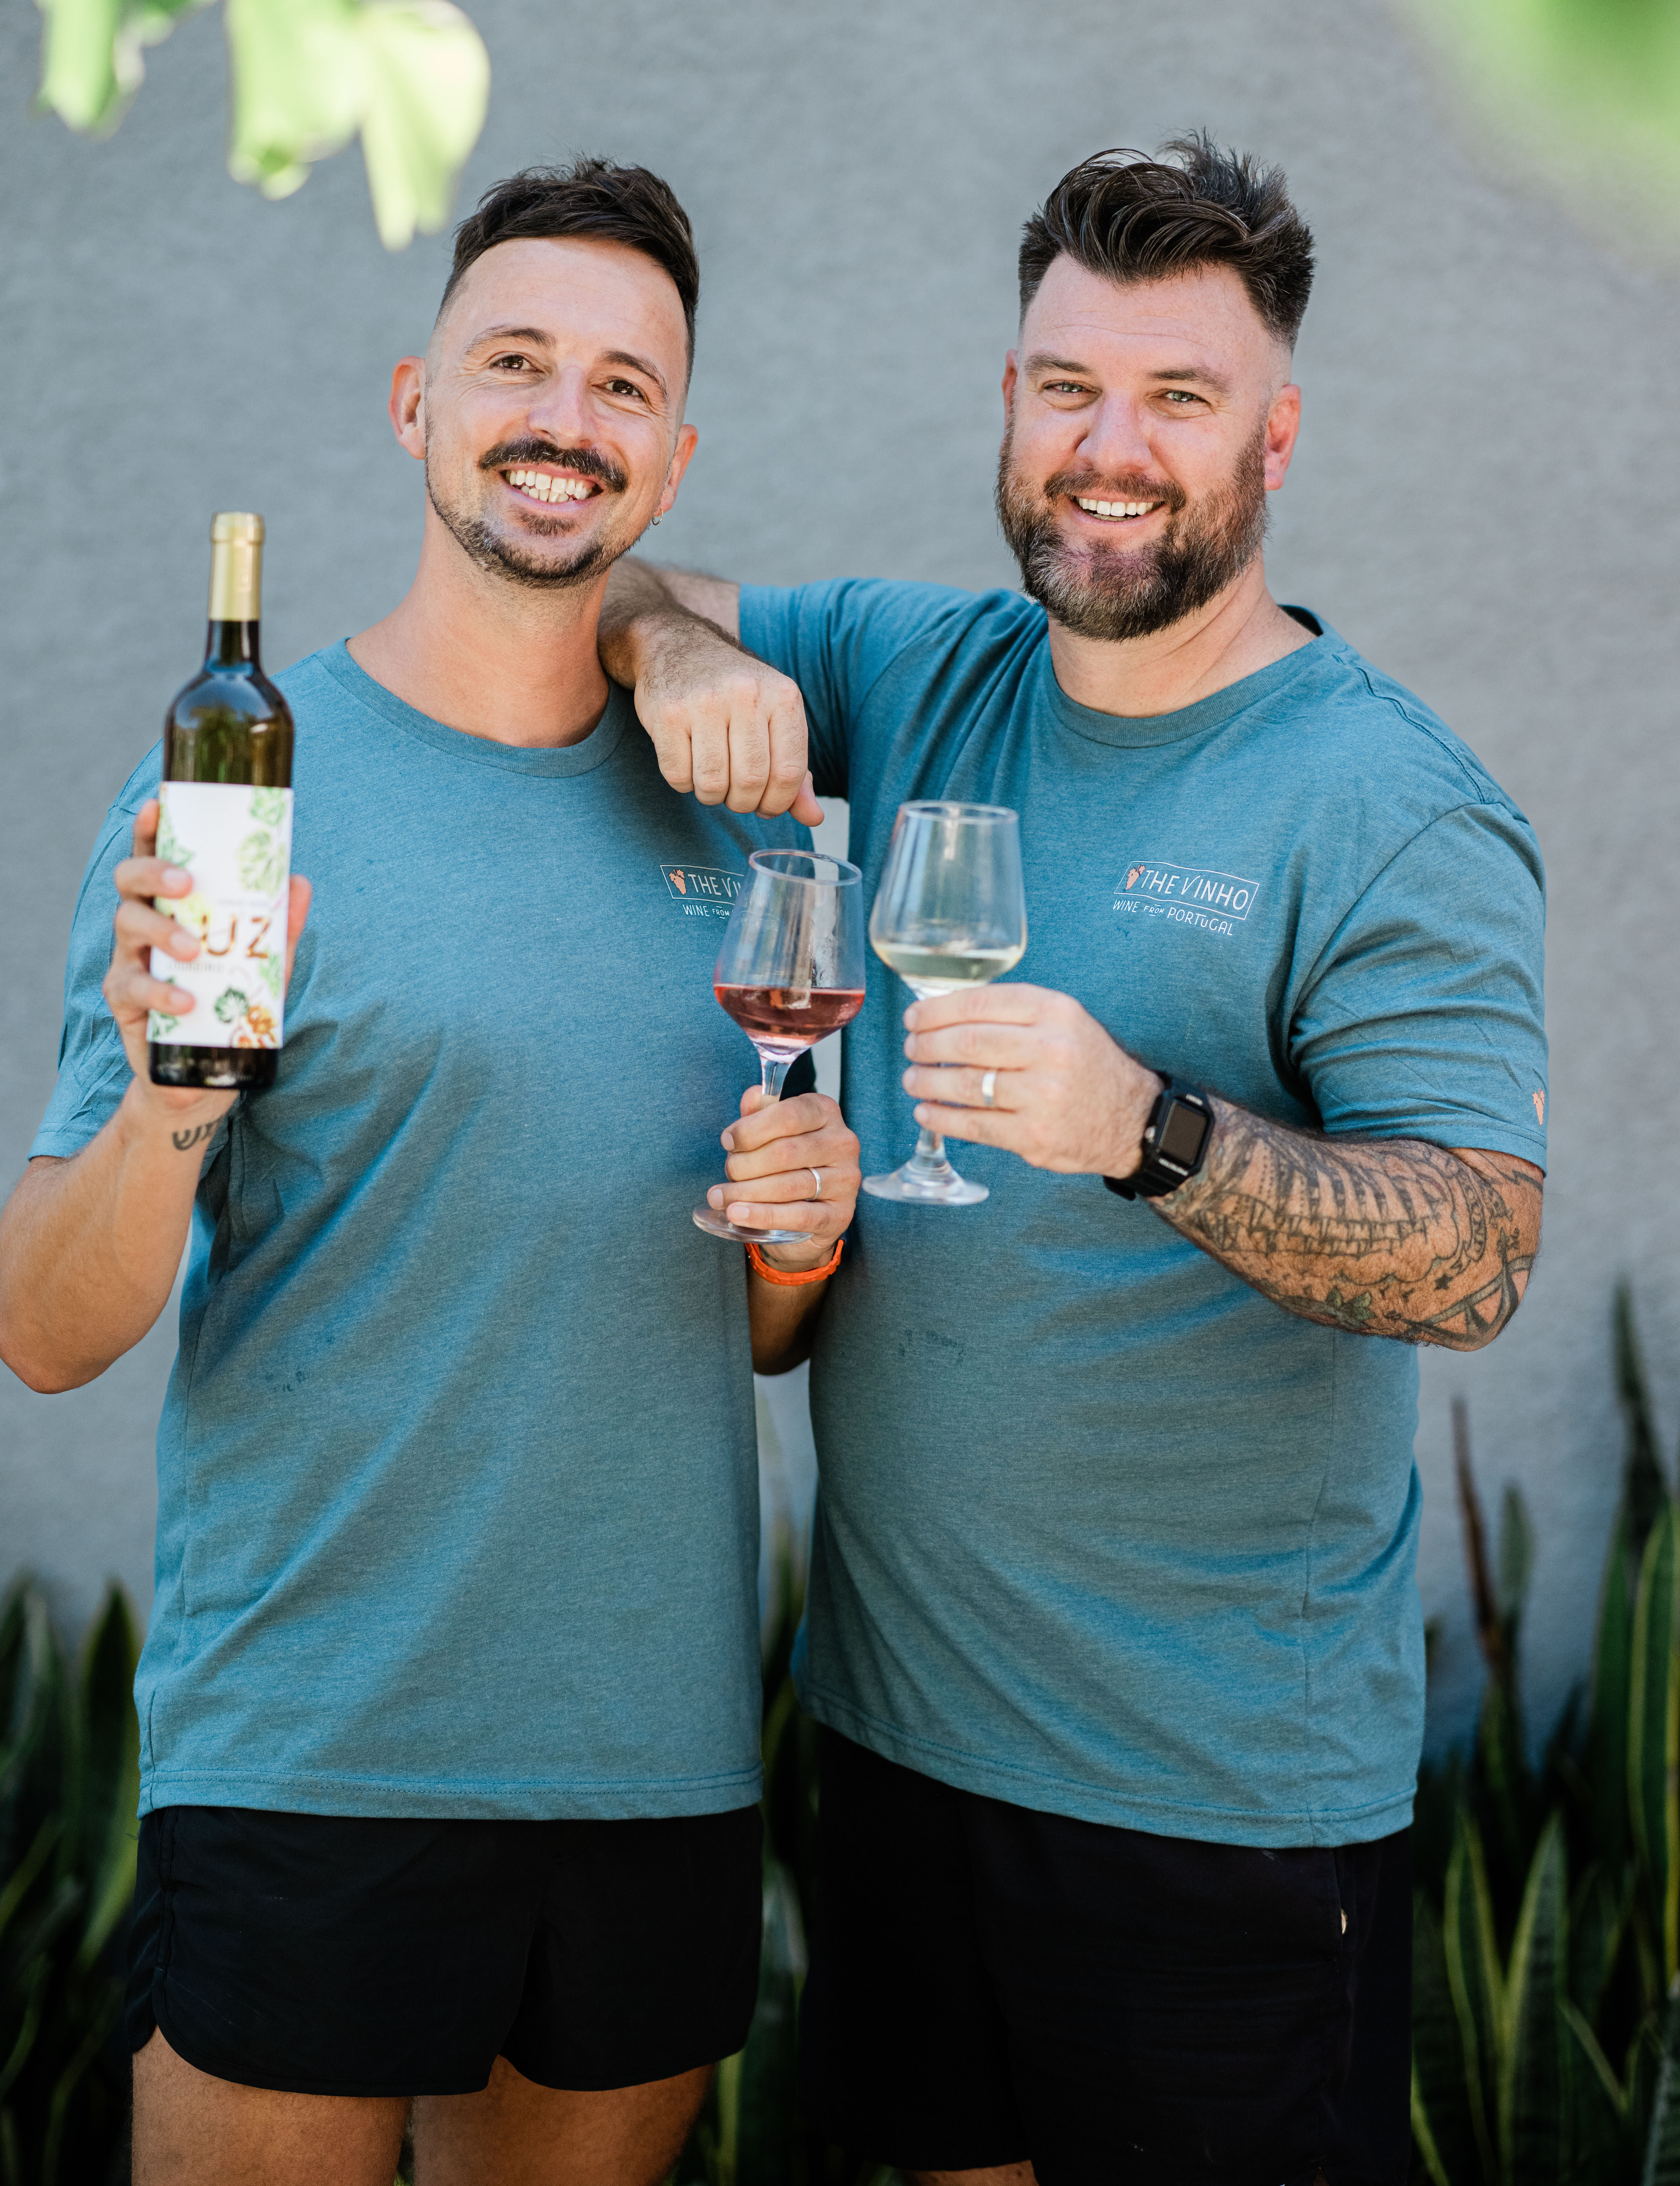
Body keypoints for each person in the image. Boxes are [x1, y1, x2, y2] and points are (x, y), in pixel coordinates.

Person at [598, 136, 1548, 2186]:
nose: (1110, 450)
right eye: (1066, 388)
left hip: (1216, 1805)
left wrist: (1155, 1132)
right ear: (1011, 404)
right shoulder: (919, 670)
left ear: (1273, 436)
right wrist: (679, 655)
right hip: (903, 1753)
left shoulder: (1384, 801)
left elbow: (1476, 1255)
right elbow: (624, 577)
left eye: (1178, 400)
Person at [0, 159, 864, 2186]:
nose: (567, 417)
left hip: (650, 1759)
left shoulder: (747, 840)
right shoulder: (228, 796)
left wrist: (805, 1238)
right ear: (417, 401)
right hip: (314, 1744)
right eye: (517, 362)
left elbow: (758, 1328)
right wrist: (168, 1098)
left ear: (674, 455)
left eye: (624, 385)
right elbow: (43, 1332)